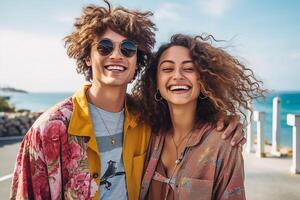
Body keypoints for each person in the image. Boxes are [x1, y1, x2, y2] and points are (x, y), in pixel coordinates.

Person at [10, 2, 245, 200]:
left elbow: (182, 108)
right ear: (87, 57)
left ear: (137, 59)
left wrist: (222, 118)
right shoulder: (50, 129)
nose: (116, 55)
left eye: (128, 48)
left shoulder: (146, 119)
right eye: (104, 47)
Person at [136, 34, 264, 199]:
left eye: (189, 69)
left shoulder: (224, 143)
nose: (177, 76)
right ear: (156, 82)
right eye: (167, 69)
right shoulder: (147, 133)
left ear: (203, 80)